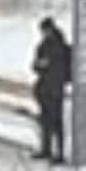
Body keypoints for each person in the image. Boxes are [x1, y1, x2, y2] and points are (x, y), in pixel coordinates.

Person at [31, 17, 72, 163]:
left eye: (44, 30)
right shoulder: (42, 46)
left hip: (55, 88)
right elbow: (35, 66)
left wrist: (45, 65)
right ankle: (46, 149)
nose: (43, 33)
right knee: (46, 120)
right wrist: (40, 65)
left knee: (56, 121)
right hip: (45, 88)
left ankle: (59, 153)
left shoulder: (60, 47)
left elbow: (58, 69)